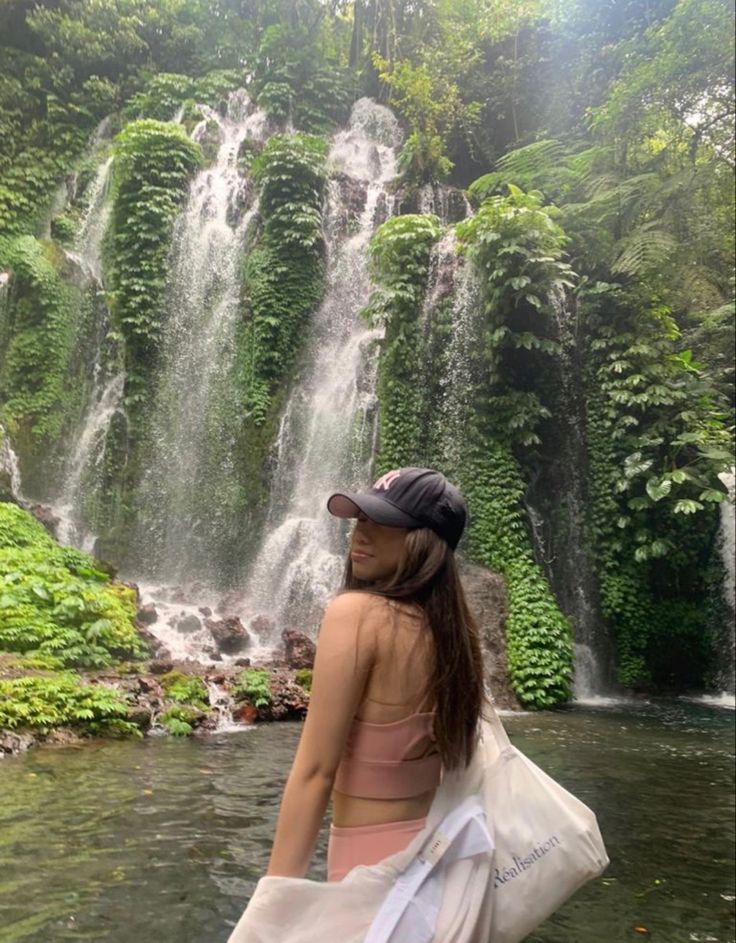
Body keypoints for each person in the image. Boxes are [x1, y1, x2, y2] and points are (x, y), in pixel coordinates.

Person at [265, 466, 489, 883]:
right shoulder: (455, 639)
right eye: (361, 518)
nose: (360, 533)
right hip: (433, 866)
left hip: (368, 871)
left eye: (384, 520)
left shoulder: (356, 615)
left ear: (425, 541)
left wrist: (272, 906)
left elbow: (316, 772)